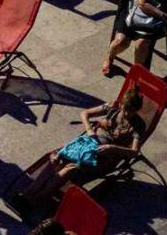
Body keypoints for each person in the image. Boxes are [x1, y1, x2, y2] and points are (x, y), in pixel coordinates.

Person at [13, 88, 147, 208]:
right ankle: (28, 193)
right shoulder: (113, 107)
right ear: (122, 104)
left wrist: (113, 148)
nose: (127, 113)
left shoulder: (138, 126)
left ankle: (36, 198)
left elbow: (134, 152)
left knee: (69, 169)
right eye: (125, 109)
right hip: (87, 144)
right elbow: (85, 113)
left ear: (137, 110)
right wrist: (89, 129)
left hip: (103, 156)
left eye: (131, 111)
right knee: (56, 159)